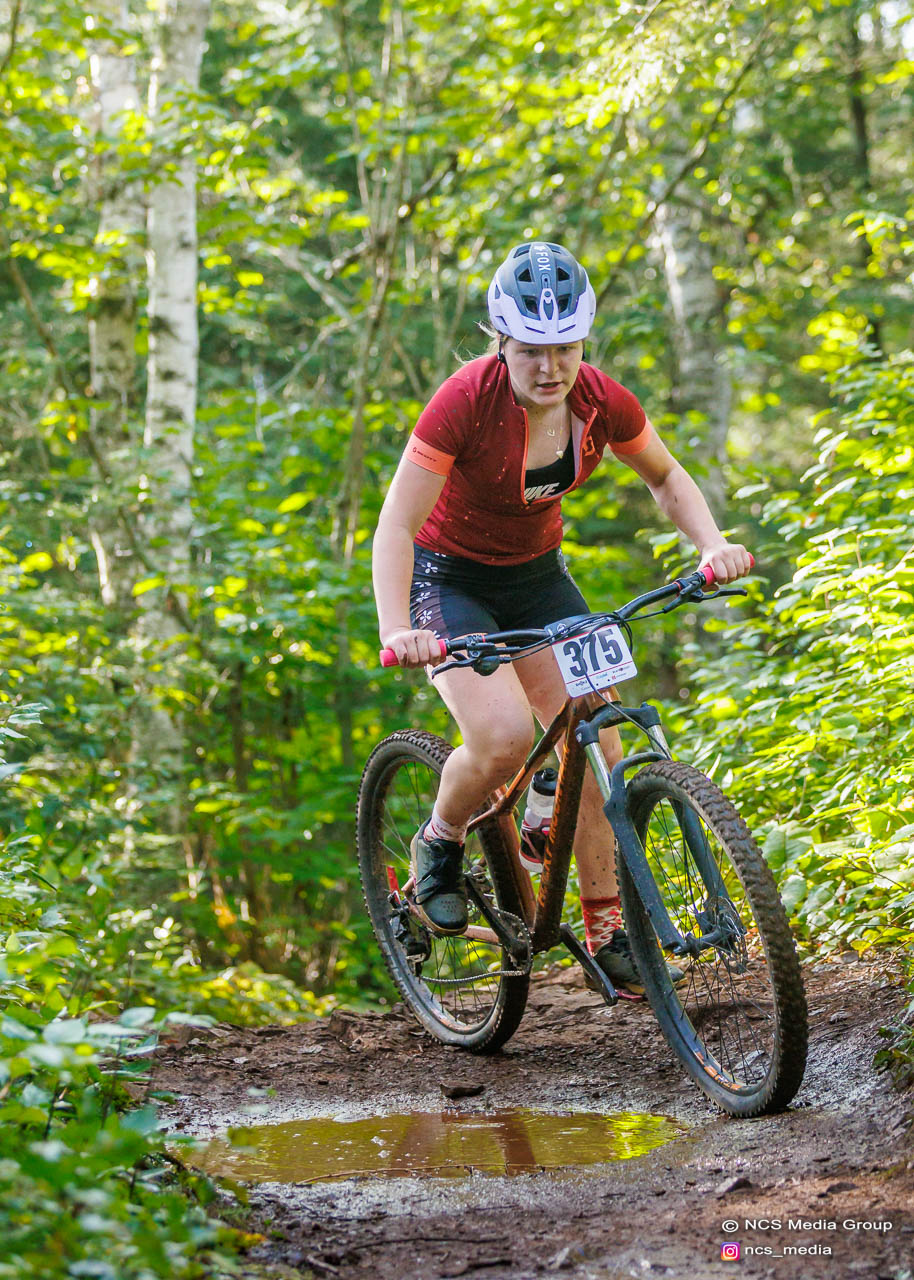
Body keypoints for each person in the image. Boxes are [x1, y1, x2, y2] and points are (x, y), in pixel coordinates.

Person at [371, 241, 751, 996]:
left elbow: (666, 476)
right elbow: (396, 526)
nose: (550, 367)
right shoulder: (464, 402)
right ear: (501, 342)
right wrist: (394, 627)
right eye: (531, 350)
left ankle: (607, 930)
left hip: (539, 580)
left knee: (601, 737)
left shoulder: (602, 401)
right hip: (450, 582)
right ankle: (439, 842)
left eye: (566, 348)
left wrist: (712, 544)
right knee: (503, 736)